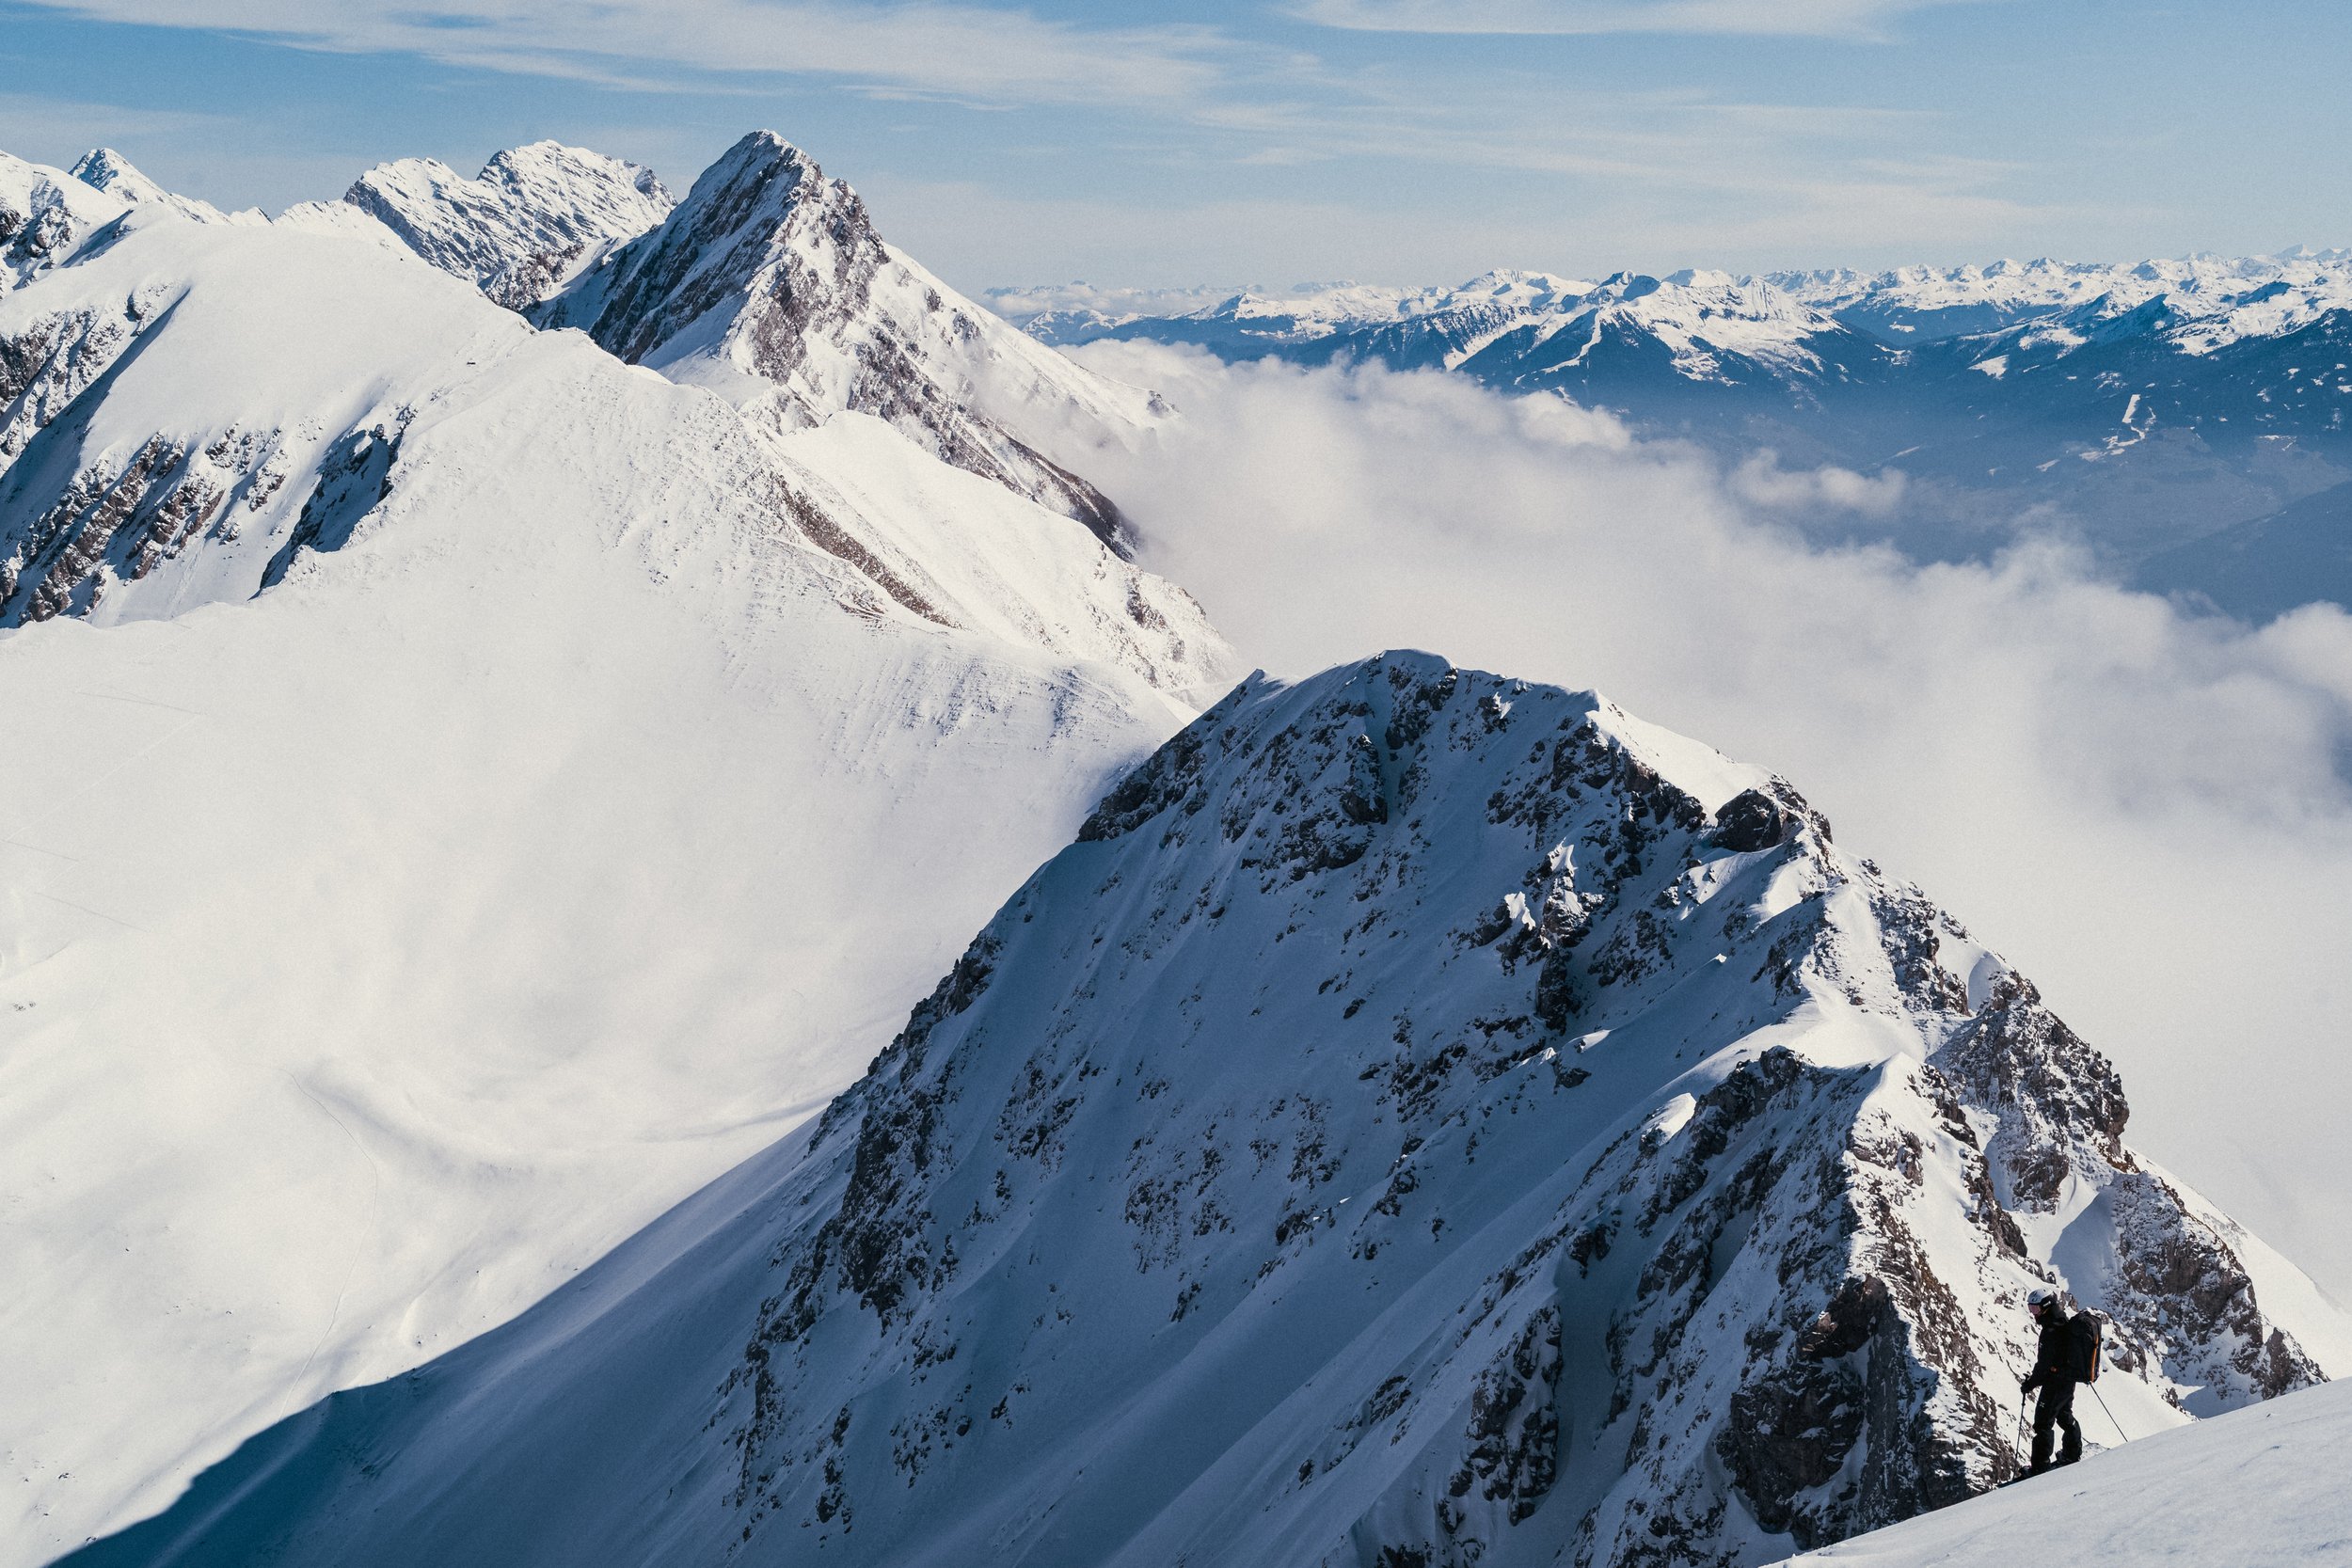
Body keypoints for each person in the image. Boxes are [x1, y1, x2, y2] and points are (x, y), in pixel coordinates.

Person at [2020, 1286, 2083, 1474]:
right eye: (2031, 1309)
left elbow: (2044, 1364)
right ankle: (2072, 1453)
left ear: (2046, 1306)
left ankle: (2040, 1468)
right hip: (2067, 1380)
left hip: (2055, 1382)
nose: (2033, 1313)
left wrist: (2030, 1384)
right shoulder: (2062, 1322)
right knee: (2064, 1416)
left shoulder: (2051, 1330)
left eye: (2036, 1309)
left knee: (2042, 1423)